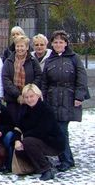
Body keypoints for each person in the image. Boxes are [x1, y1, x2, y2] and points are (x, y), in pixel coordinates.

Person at [41, 30, 90, 172]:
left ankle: (66, 160)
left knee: (62, 130)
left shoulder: (74, 58)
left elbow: (81, 78)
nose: (58, 44)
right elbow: (44, 82)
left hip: (68, 98)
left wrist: (79, 96)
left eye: (60, 42)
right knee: (58, 131)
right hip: (52, 98)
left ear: (66, 43)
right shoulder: (50, 59)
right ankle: (66, 159)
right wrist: (43, 97)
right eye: (55, 42)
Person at [12, 84, 65, 180]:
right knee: (19, 149)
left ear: (38, 95)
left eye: (31, 96)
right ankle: (41, 164)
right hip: (36, 141)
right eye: (26, 97)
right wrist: (17, 140)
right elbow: (18, 127)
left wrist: (23, 137)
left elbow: (42, 131)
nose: (29, 99)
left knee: (28, 142)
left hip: (52, 143)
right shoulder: (24, 109)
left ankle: (46, 170)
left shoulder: (46, 109)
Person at [2, 35, 42, 124]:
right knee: (13, 124)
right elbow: (6, 79)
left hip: (29, 99)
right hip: (12, 99)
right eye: (17, 46)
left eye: (22, 46)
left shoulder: (33, 61)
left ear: (27, 47)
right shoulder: (8, 61)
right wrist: (18, 95)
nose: (20, 48)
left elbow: (38, 76)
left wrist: (28, 93)